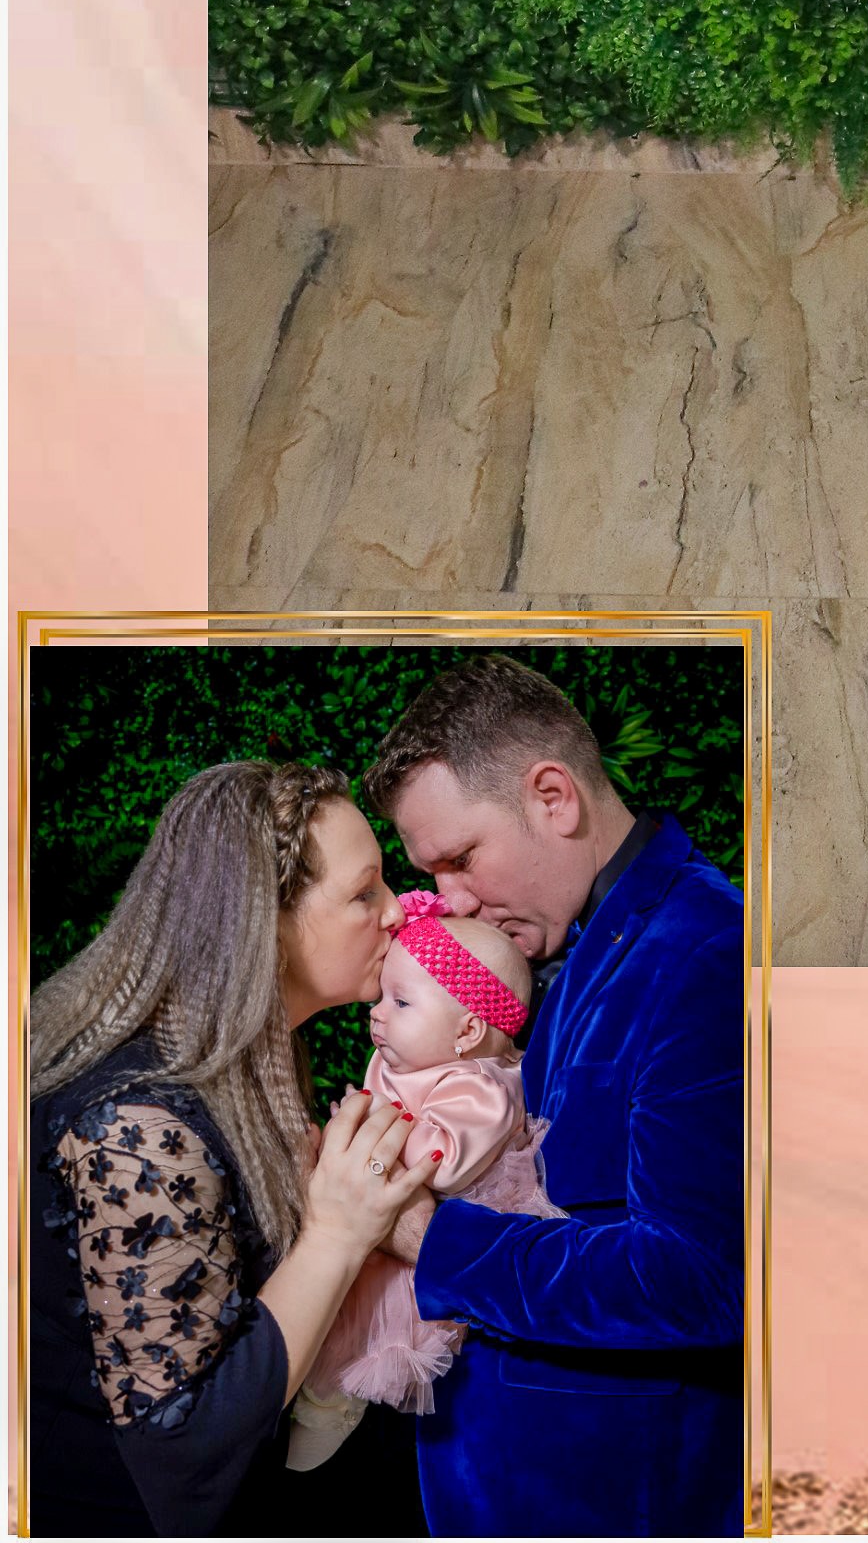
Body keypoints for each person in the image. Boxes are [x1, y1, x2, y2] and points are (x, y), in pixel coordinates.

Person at [361, 657, 744, 1539]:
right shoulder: (578, 948)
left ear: (553, 797)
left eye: (461, 859)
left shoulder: (705, 952)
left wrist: (428, 1236)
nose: (449, 900)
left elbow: (702, 1281)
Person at [28, 759, 422, 1535]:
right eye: (364, 892)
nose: (397, 911)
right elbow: (183, 1455)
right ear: (265, 925)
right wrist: (337, 1236)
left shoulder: (244, 1066)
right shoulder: (137, 1130)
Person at [299, 899, 552, 1442]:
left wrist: (370, 1125)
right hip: (375, 1223)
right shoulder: (404, 1057)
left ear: (467, 1031)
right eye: (382, 997)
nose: (376, 1013)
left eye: (401, 1001)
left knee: (369, 1328)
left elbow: (445, 1164)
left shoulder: (479, 1089)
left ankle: (331, 1409)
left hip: (426, 1253)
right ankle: (312, 1396)